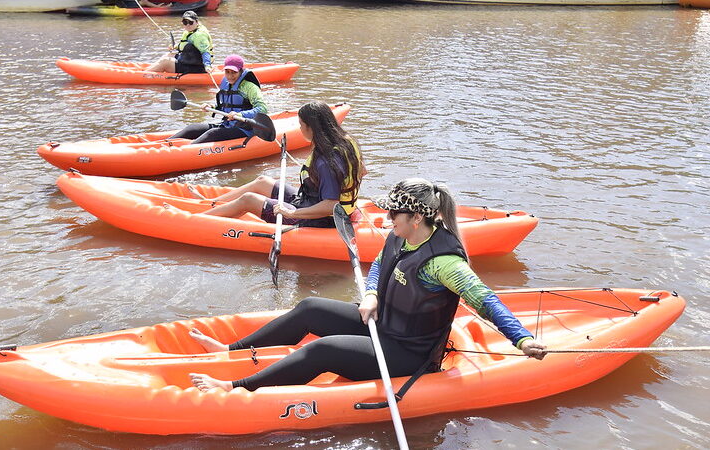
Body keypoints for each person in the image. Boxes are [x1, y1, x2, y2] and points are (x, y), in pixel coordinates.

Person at [188, 178, 547, 392]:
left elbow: (486, 300)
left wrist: (521, 339)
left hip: (408, 352)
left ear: (416, 217)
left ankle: (236, 388)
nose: (387, 218)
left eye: (394, 213)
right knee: (310, 308)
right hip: (382, 322)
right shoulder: (401, 236)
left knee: (323, 349)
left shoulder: (444, 263)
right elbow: (378, 266)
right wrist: (372, 294)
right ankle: (231, 350)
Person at [197, 100, 364, 228]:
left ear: (311, 128)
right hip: (310, 201)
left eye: (301, 125)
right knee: (262, 181)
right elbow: (362, 171)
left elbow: (331, 205)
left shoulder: (326, 161)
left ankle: (197, 221)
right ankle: (211, 203)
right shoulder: (347, 142)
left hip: (321, 219)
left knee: (249, 200)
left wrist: (292, 212)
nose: (300, 129)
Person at [168, 54, 269, 145]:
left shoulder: (250, 87)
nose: (230, 76)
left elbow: (262, 108)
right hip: (227, 124)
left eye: (234, 72)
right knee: (192, 128)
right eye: (227, 72)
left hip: (244, 128)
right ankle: (165, 144)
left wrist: (240, 114)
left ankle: (184, 152)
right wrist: (211, 107)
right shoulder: (226, 83)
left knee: (212, 133)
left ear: (241, 71)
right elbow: (225, 106)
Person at [145, 10, 213, 74]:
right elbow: (186, 45)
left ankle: (144, 74)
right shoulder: (191, 31)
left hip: (197, 67)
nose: (188, 25)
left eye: (191, 22)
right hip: (190, 61)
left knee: (165, 61)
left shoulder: (199, 35)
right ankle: (147, 70)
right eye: (185, 23)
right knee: (168, 55)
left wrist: (207, 66)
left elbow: (205, 52)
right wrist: (175, 47)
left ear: (197, 22)